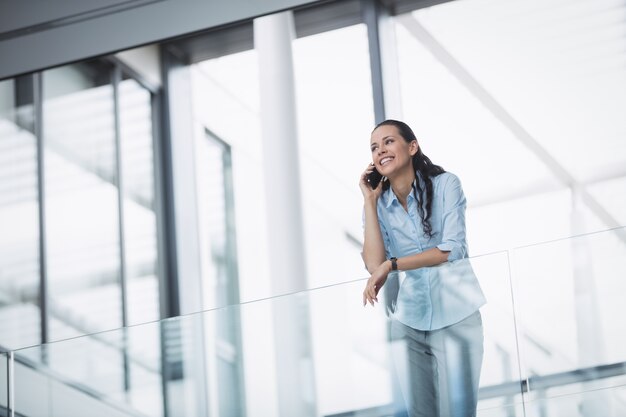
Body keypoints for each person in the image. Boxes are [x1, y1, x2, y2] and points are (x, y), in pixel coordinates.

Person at [359, 120, 486, 417]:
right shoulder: (379, 204)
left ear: (412, 146)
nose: (381, 151)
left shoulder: (446, 185)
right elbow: (374, 265)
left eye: (388, 142)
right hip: (410, 322)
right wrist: (369, 201)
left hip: (457, 316)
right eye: (374, 148)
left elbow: (452, 249)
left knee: (459, 412)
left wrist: (394, 265)